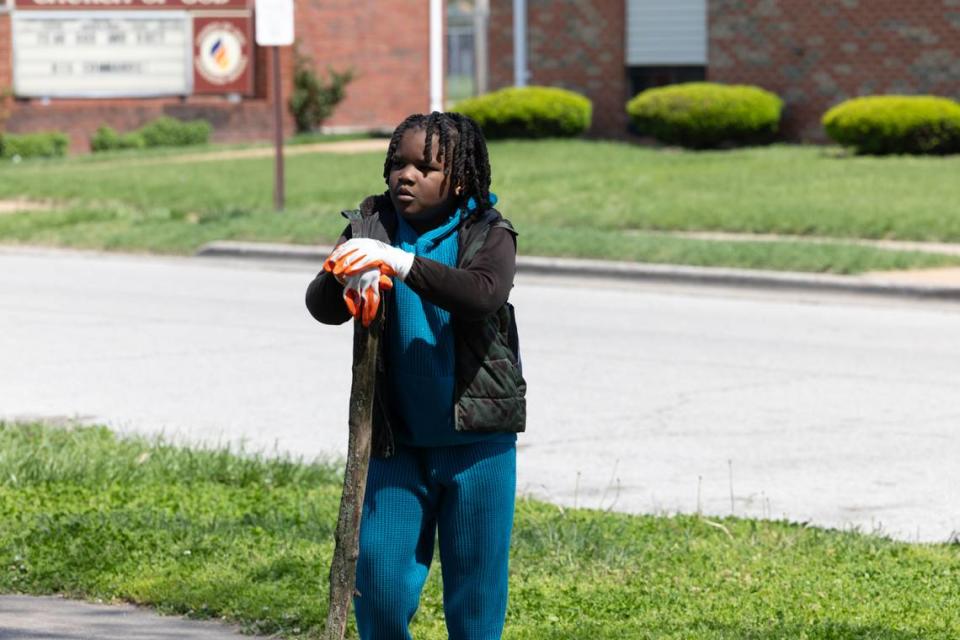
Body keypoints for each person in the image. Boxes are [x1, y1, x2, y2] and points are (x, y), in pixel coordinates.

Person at [305, 111, 526, 640]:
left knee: (475, 598)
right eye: (397, 163)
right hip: (395, 446)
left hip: (478, 446)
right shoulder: (369, 226)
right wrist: (345, 272)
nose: (405, 175)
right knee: (377, 585)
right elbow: (320, 306)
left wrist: (399, 264)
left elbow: (482, 294)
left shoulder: (487, 232)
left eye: (425, 167)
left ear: (461, 178)